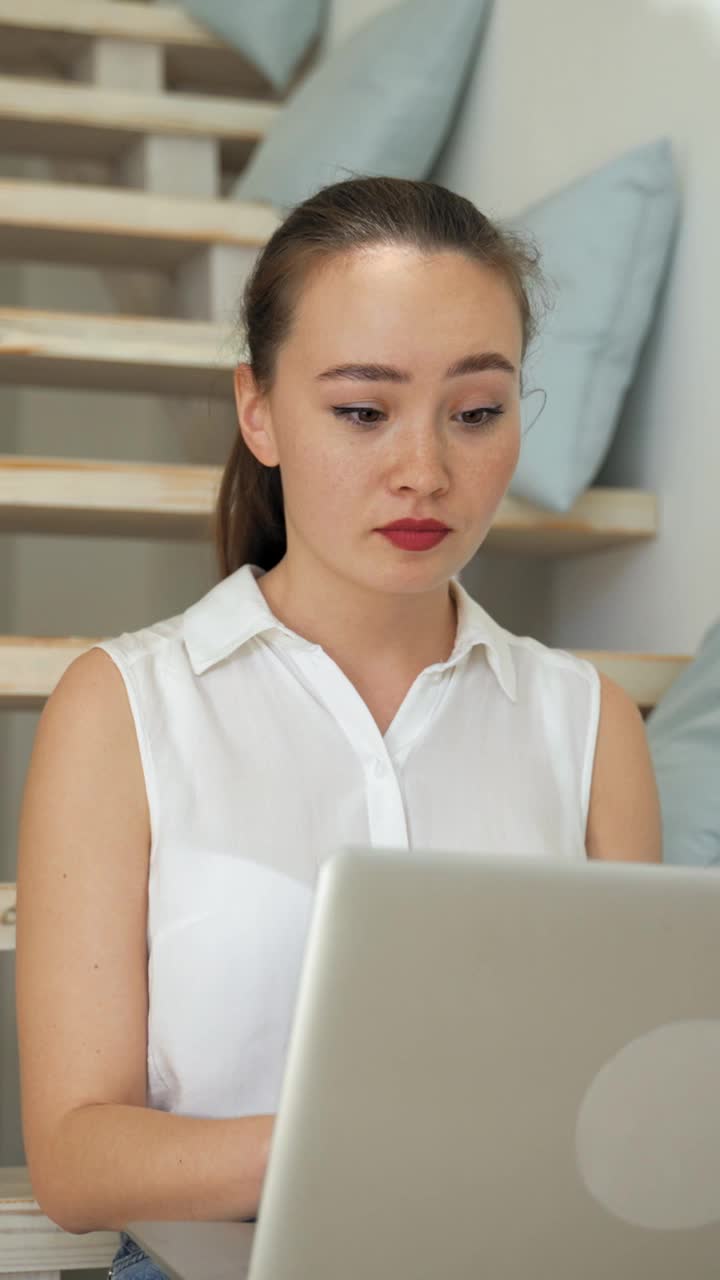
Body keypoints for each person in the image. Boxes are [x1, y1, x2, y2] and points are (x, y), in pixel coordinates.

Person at [14, 174, 662, 1279]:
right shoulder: (126, 706)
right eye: (363, 410)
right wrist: (380, 1145)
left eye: (476, 410)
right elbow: (78, 1156)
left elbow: (634, 1106)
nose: (425, 469)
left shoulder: (587, 723)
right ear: (258, 412)